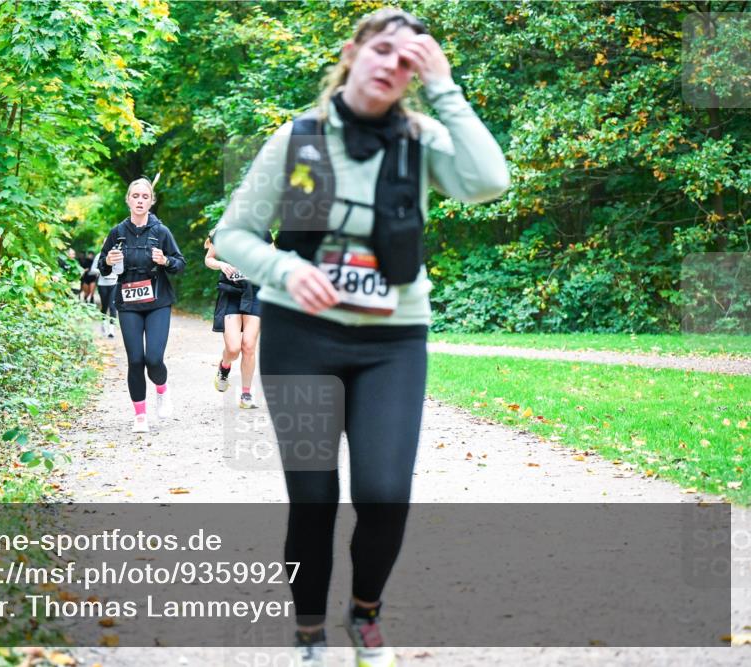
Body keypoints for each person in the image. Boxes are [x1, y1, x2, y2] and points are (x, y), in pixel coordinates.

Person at [213, 8, 509, 667]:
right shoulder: (297, 138)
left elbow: (489, 182)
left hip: (391, 342)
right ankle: (310, 631)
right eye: (382, 50)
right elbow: (233, 235)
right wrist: (286, 267)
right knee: (314, 497)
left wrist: (447, 88)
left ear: (416, 77)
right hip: (300, 337)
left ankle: (366, 613)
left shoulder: (423, 138)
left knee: (384, 491)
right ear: (353, 52)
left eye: (408, 62)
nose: (390, 66)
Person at [98, 175, 186, 433]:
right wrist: (109, 260)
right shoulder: (117, 232)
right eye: (135, 196)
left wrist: (165, 261)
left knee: (154, 358)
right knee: (135, 359)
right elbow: (103, 268)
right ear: (128, 200)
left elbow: (180, 263)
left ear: (151, 201)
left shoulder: (161, 232)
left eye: (145, 196)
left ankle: (162, 389)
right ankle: (140, 415)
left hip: (158, 300)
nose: (140, 200)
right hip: (128, 302)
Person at [204, 227, 271, 408]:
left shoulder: (262, 231)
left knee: (249, 346)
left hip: (255, 292)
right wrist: (221, 265)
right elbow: (208, 259)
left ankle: (246, 395)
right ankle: (224, 367)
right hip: (231, 293)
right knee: (233, 349)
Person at [92, 250, 119, 338]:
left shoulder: (116, 255)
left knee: (112, 306)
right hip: (102, 284)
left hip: (114, 283)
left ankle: (111, 330)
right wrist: (103, 270)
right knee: (104, 306)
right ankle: (103, 325)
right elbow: (93, 269)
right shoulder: (99, 255)